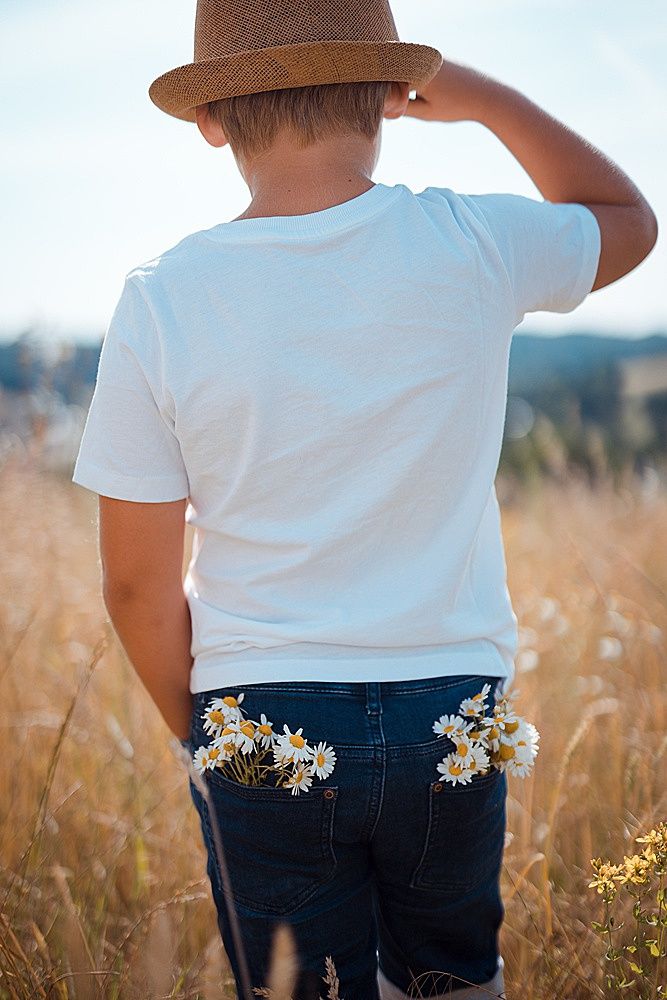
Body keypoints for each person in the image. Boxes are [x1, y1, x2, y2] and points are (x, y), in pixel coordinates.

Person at [70, 0, 658, 996]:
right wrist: (483, 101)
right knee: (452, 978)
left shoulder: (160, 298)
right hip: (454, 706)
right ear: (394, 93)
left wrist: (204, 734)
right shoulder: (473, 239)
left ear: (212, 120)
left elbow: (134, 587)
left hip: (258, 708)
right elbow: (627, 222)